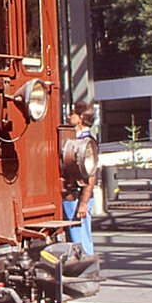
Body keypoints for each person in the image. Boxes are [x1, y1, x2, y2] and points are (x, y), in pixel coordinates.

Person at [63, 101, 98, 256]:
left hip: (78, 198)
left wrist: (83, 204)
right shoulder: (83, 139)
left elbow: (91, 175)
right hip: (76, 198)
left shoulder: (86, 142)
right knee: (77, 235)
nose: (69, 116)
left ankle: (86, 263)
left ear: (80, 118)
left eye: (72, 114)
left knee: (81, 237)